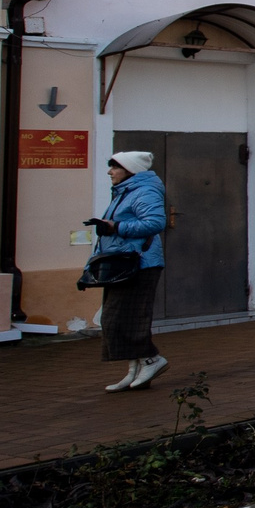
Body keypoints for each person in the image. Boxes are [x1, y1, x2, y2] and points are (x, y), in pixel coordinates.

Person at [90, 150, 169, 392]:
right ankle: (135, 370)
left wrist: (116, 226)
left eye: (115, 167)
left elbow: (156, 222)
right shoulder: (125, 191)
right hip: (121, 263)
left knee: (124, 318)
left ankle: (151, 360)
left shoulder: (144, 191)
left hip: (139, 263)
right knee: (117, 318)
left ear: (130, 170)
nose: (109, 172)